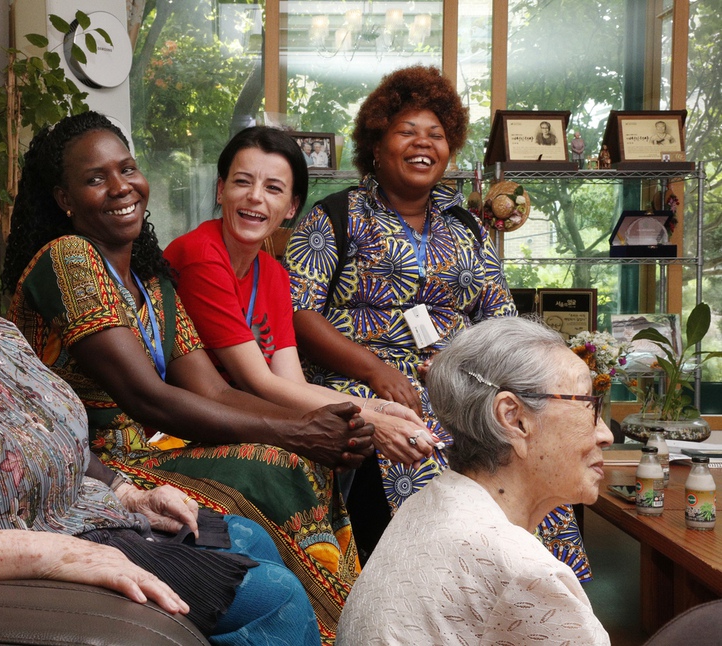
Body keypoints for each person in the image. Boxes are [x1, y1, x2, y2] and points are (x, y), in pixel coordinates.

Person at [0, 96, 321, 646]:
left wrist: (129, 491)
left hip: (92, 515)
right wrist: (59, 555)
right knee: (276, 601)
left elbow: (40, 426)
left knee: (251, 536)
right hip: (48, 554)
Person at [1, 111, 374, 643]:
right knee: (280, 460)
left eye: (126, 168)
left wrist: (318, 423)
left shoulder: (150, 278)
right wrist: (296, 431)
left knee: (296, 459)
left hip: (144, 453)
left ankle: (326, 626)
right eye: (95, 178)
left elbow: (214, 389)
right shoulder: (68, 258)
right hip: (94, 470)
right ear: (64, 199)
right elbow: (149, 398)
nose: (119, 187)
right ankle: (325, 627)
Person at [282, 65, 591, 580]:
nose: (424, 144)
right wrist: (376, 370)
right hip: (363, 380)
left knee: (528, 435)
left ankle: (535, 591)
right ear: (376, 145)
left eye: (437, 135)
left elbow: (499, 317)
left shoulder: (466, 224)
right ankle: (436, 592)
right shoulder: (337, 214)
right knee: (422, 437)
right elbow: (298, 313)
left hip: (462, 379)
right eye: (407, 132)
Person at [163, 126, 432, 472]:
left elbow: (290, 382)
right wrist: (370, 420)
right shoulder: (201, 254)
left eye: (273, 188)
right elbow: (257, 382)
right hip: (185, 426)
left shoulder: (272, 273)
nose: (255, 197)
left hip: (241, 417)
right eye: (242, 182)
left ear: (291, 207)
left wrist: (377, 408)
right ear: (220, 190)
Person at [337, 317, 613, 645]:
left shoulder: (429, 504)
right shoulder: (524, 571)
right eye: (588, 406)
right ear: (514, 418)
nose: (605, 434)